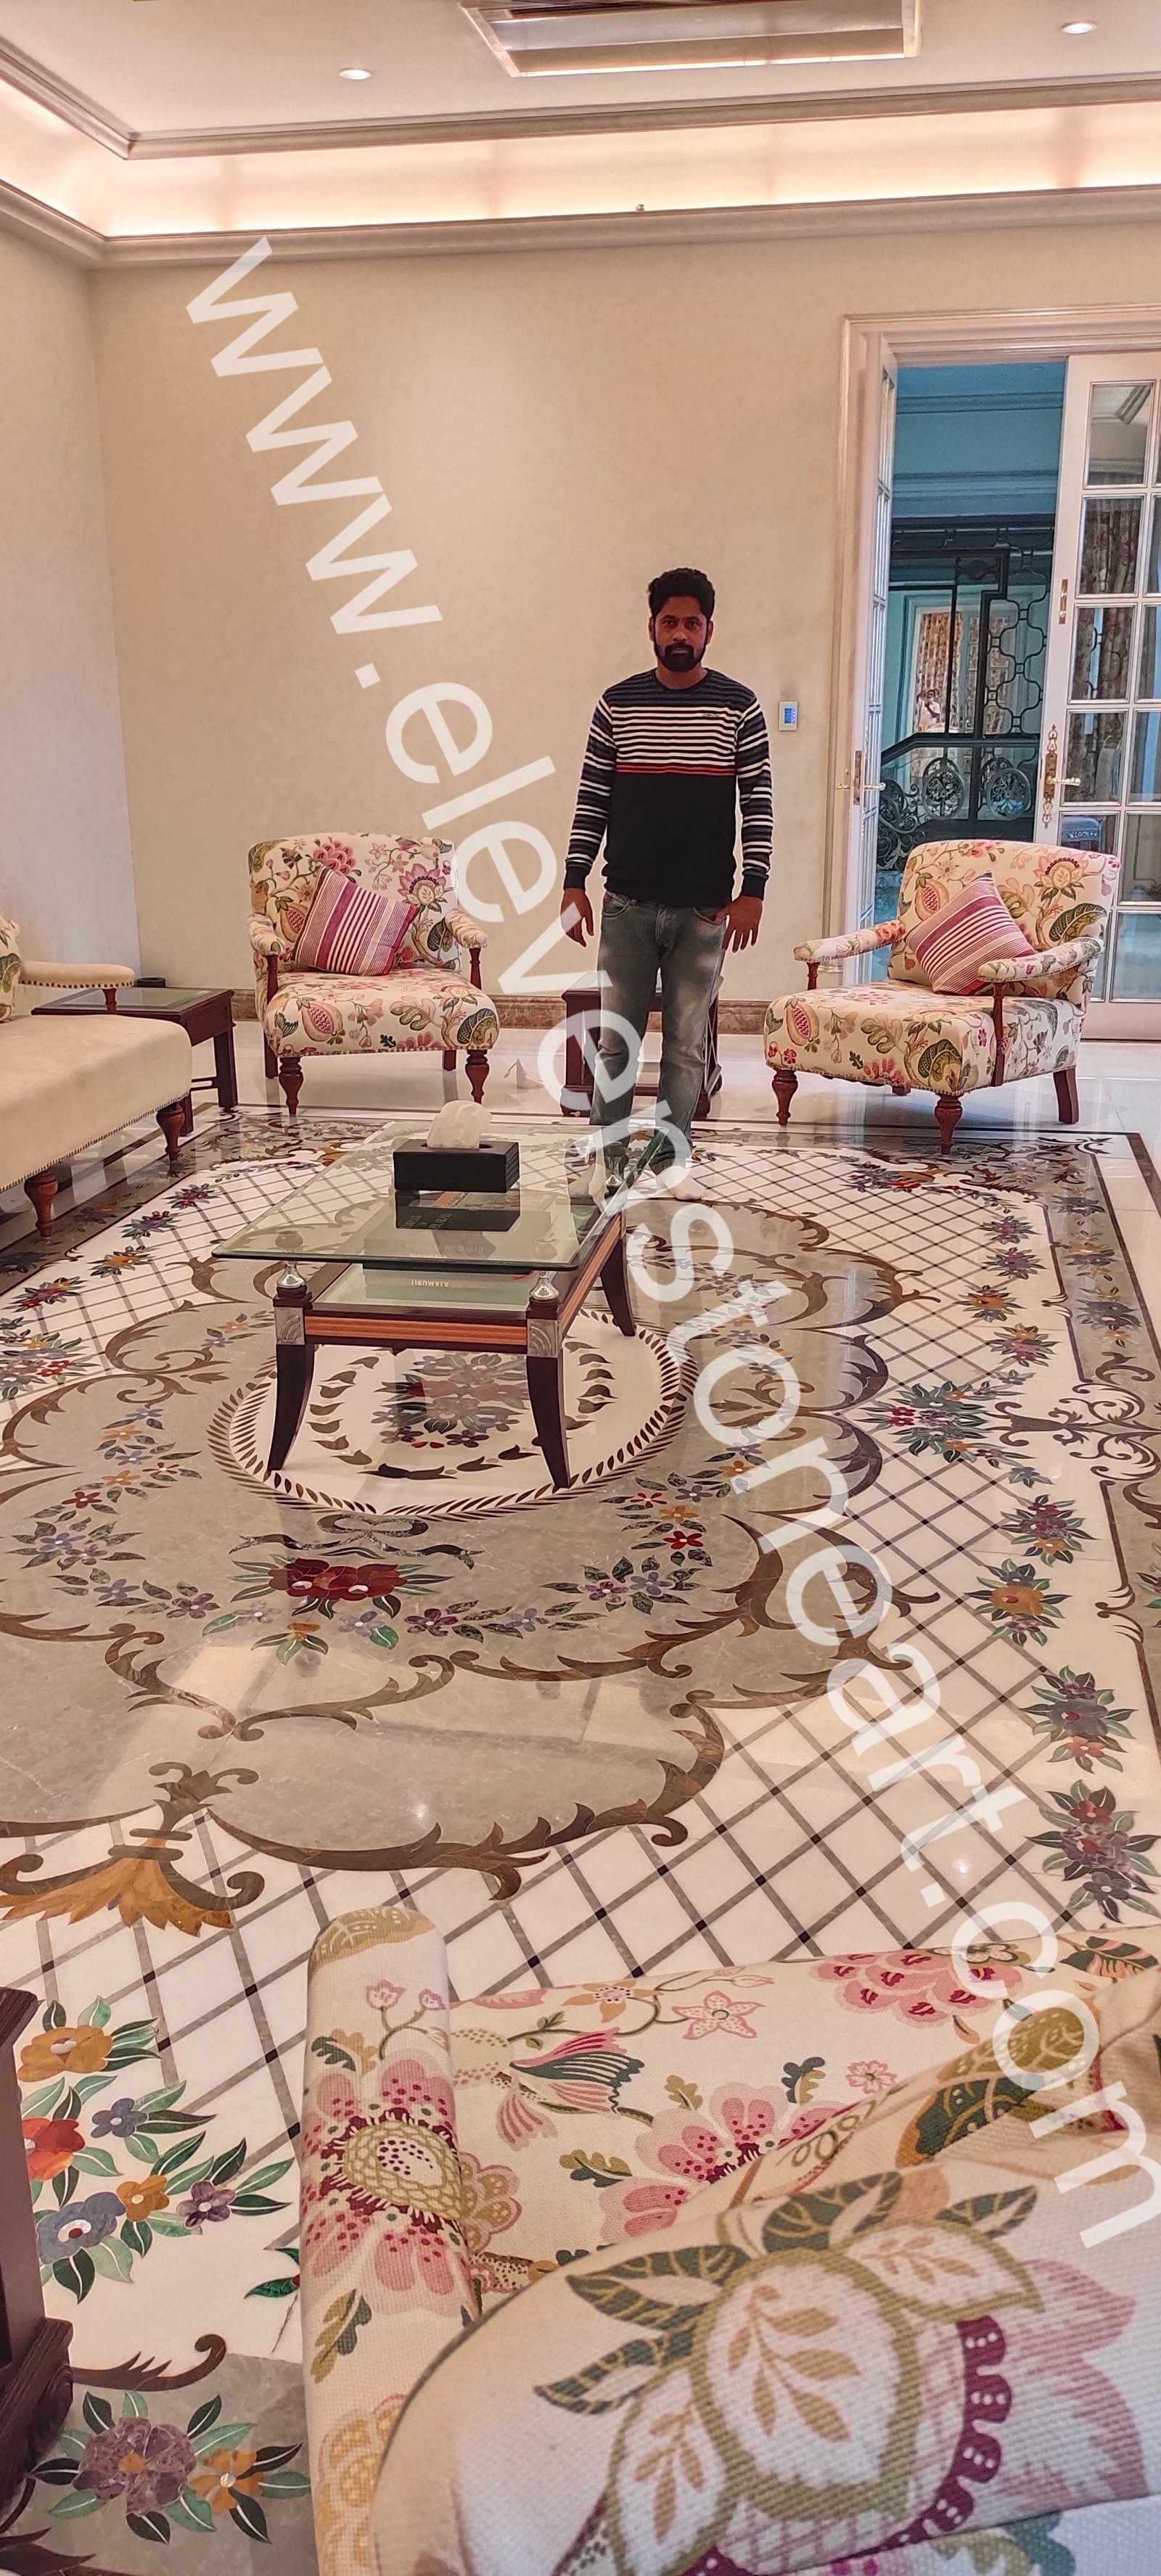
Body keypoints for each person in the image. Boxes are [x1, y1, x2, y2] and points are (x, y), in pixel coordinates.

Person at [560, 567, 772, 1172]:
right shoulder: (617, 704)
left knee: (686, 1043)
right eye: (670, 621)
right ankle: (608, 1150)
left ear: (710, 631)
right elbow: (592, 798)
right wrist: (574, 880)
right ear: (651, 627)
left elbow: (758, 803)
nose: (681, 633)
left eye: (692, 623)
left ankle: (669, 1153)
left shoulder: (740, 707)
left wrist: (753, 890)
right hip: (626, 905)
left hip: (705, 909)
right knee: (616, 1042)